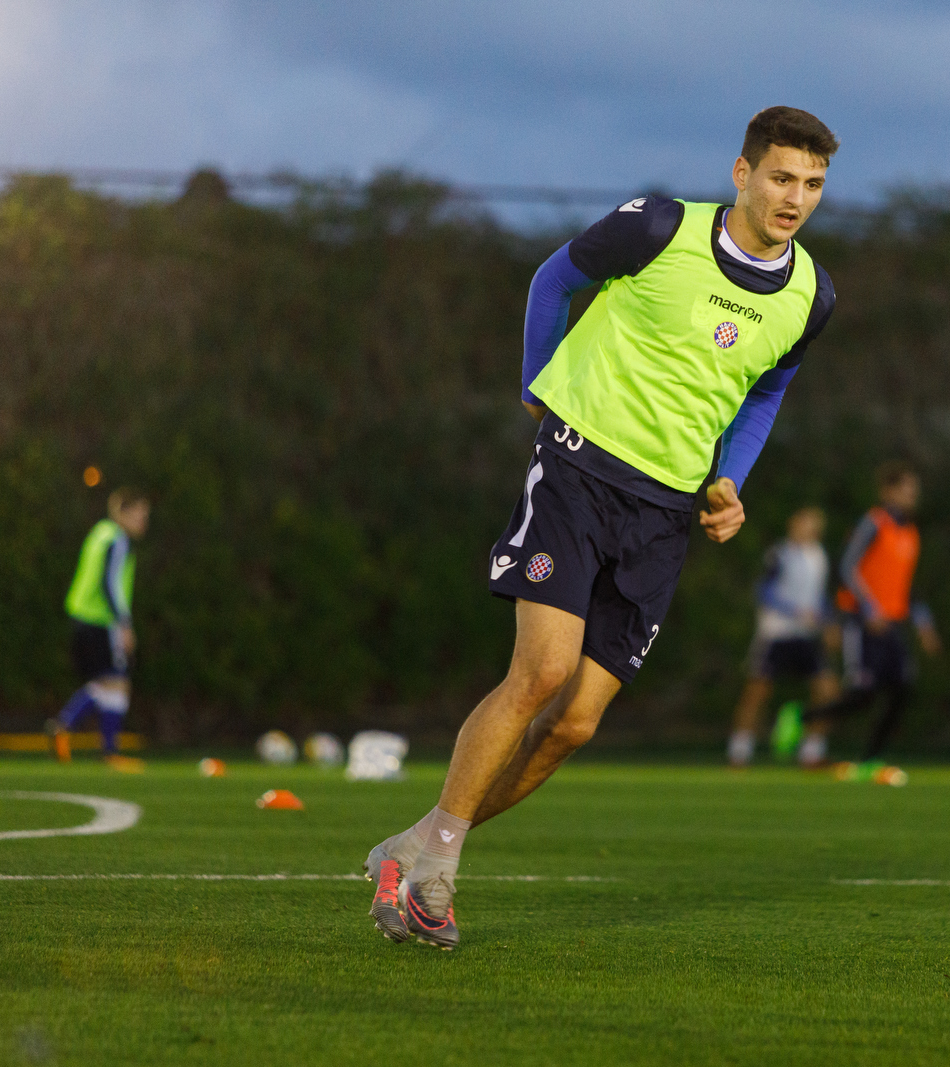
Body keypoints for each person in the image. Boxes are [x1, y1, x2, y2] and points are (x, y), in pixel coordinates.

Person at [362, 107, 839, 950]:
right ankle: (434, 868)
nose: (794, 197)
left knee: (576, 723)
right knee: (541, 672)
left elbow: (764, 392)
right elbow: (554, 280)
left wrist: (731, 477)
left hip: (664, 515)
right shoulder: (658, 226)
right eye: (780, 177)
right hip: (580, 470)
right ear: (742, 173)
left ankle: (423, 842)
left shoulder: (813, 295)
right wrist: (534, 382)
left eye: (812, 183)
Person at [800, 462, 940, 770]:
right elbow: (847, 567)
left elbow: (908, 584)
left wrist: (924, 624)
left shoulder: (911, 532)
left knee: (903, 688)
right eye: (905, 489)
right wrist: (870, 609)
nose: (911, 496)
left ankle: (871, 759)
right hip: (863, 623)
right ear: (888, 491)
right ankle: (800, 719)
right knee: (862, 693)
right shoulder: (874, 524)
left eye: (913, 490)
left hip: (893, 624)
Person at [726, 506, 839, 766]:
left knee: (828, 691)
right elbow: (764, 591)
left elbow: (817, 596)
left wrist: (829, 621)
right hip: (776, 633)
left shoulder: (819, 556)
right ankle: (739, 751)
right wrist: (795, 611)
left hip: (807, 636)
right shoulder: (780, 554)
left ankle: (812, 752)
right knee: (757, 691)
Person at [48, 487, 149, 772]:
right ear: (124, 513)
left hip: (81, 615)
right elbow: (110, 584)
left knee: (106, 682)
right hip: (101, 620)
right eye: (141, 514)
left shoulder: (99, 533)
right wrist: (124, 623)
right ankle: (106, 749)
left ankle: (66, 729)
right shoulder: (117, 539)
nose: (144, 521)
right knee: (116, 682)